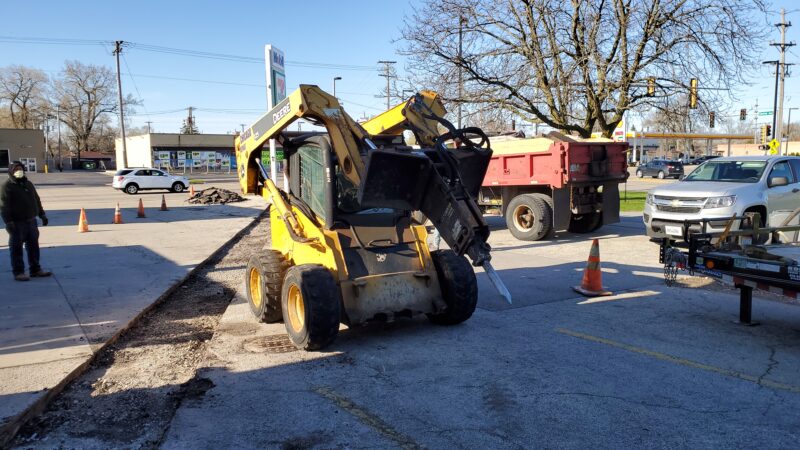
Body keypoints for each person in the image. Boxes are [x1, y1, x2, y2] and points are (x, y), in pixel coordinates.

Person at [1, 162, 51, 281]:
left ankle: (35, 269)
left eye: (21, 168)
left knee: (33, 246)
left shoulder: (28, 184)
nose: (19, 171)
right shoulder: (7, 186)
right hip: (17, 223)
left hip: (31, 221)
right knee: (16, 248)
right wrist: (8, 222)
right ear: (11, 171)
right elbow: (3, 206)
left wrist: (42, 214)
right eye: (16, 169)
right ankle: (18, 272)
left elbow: (36, 200)